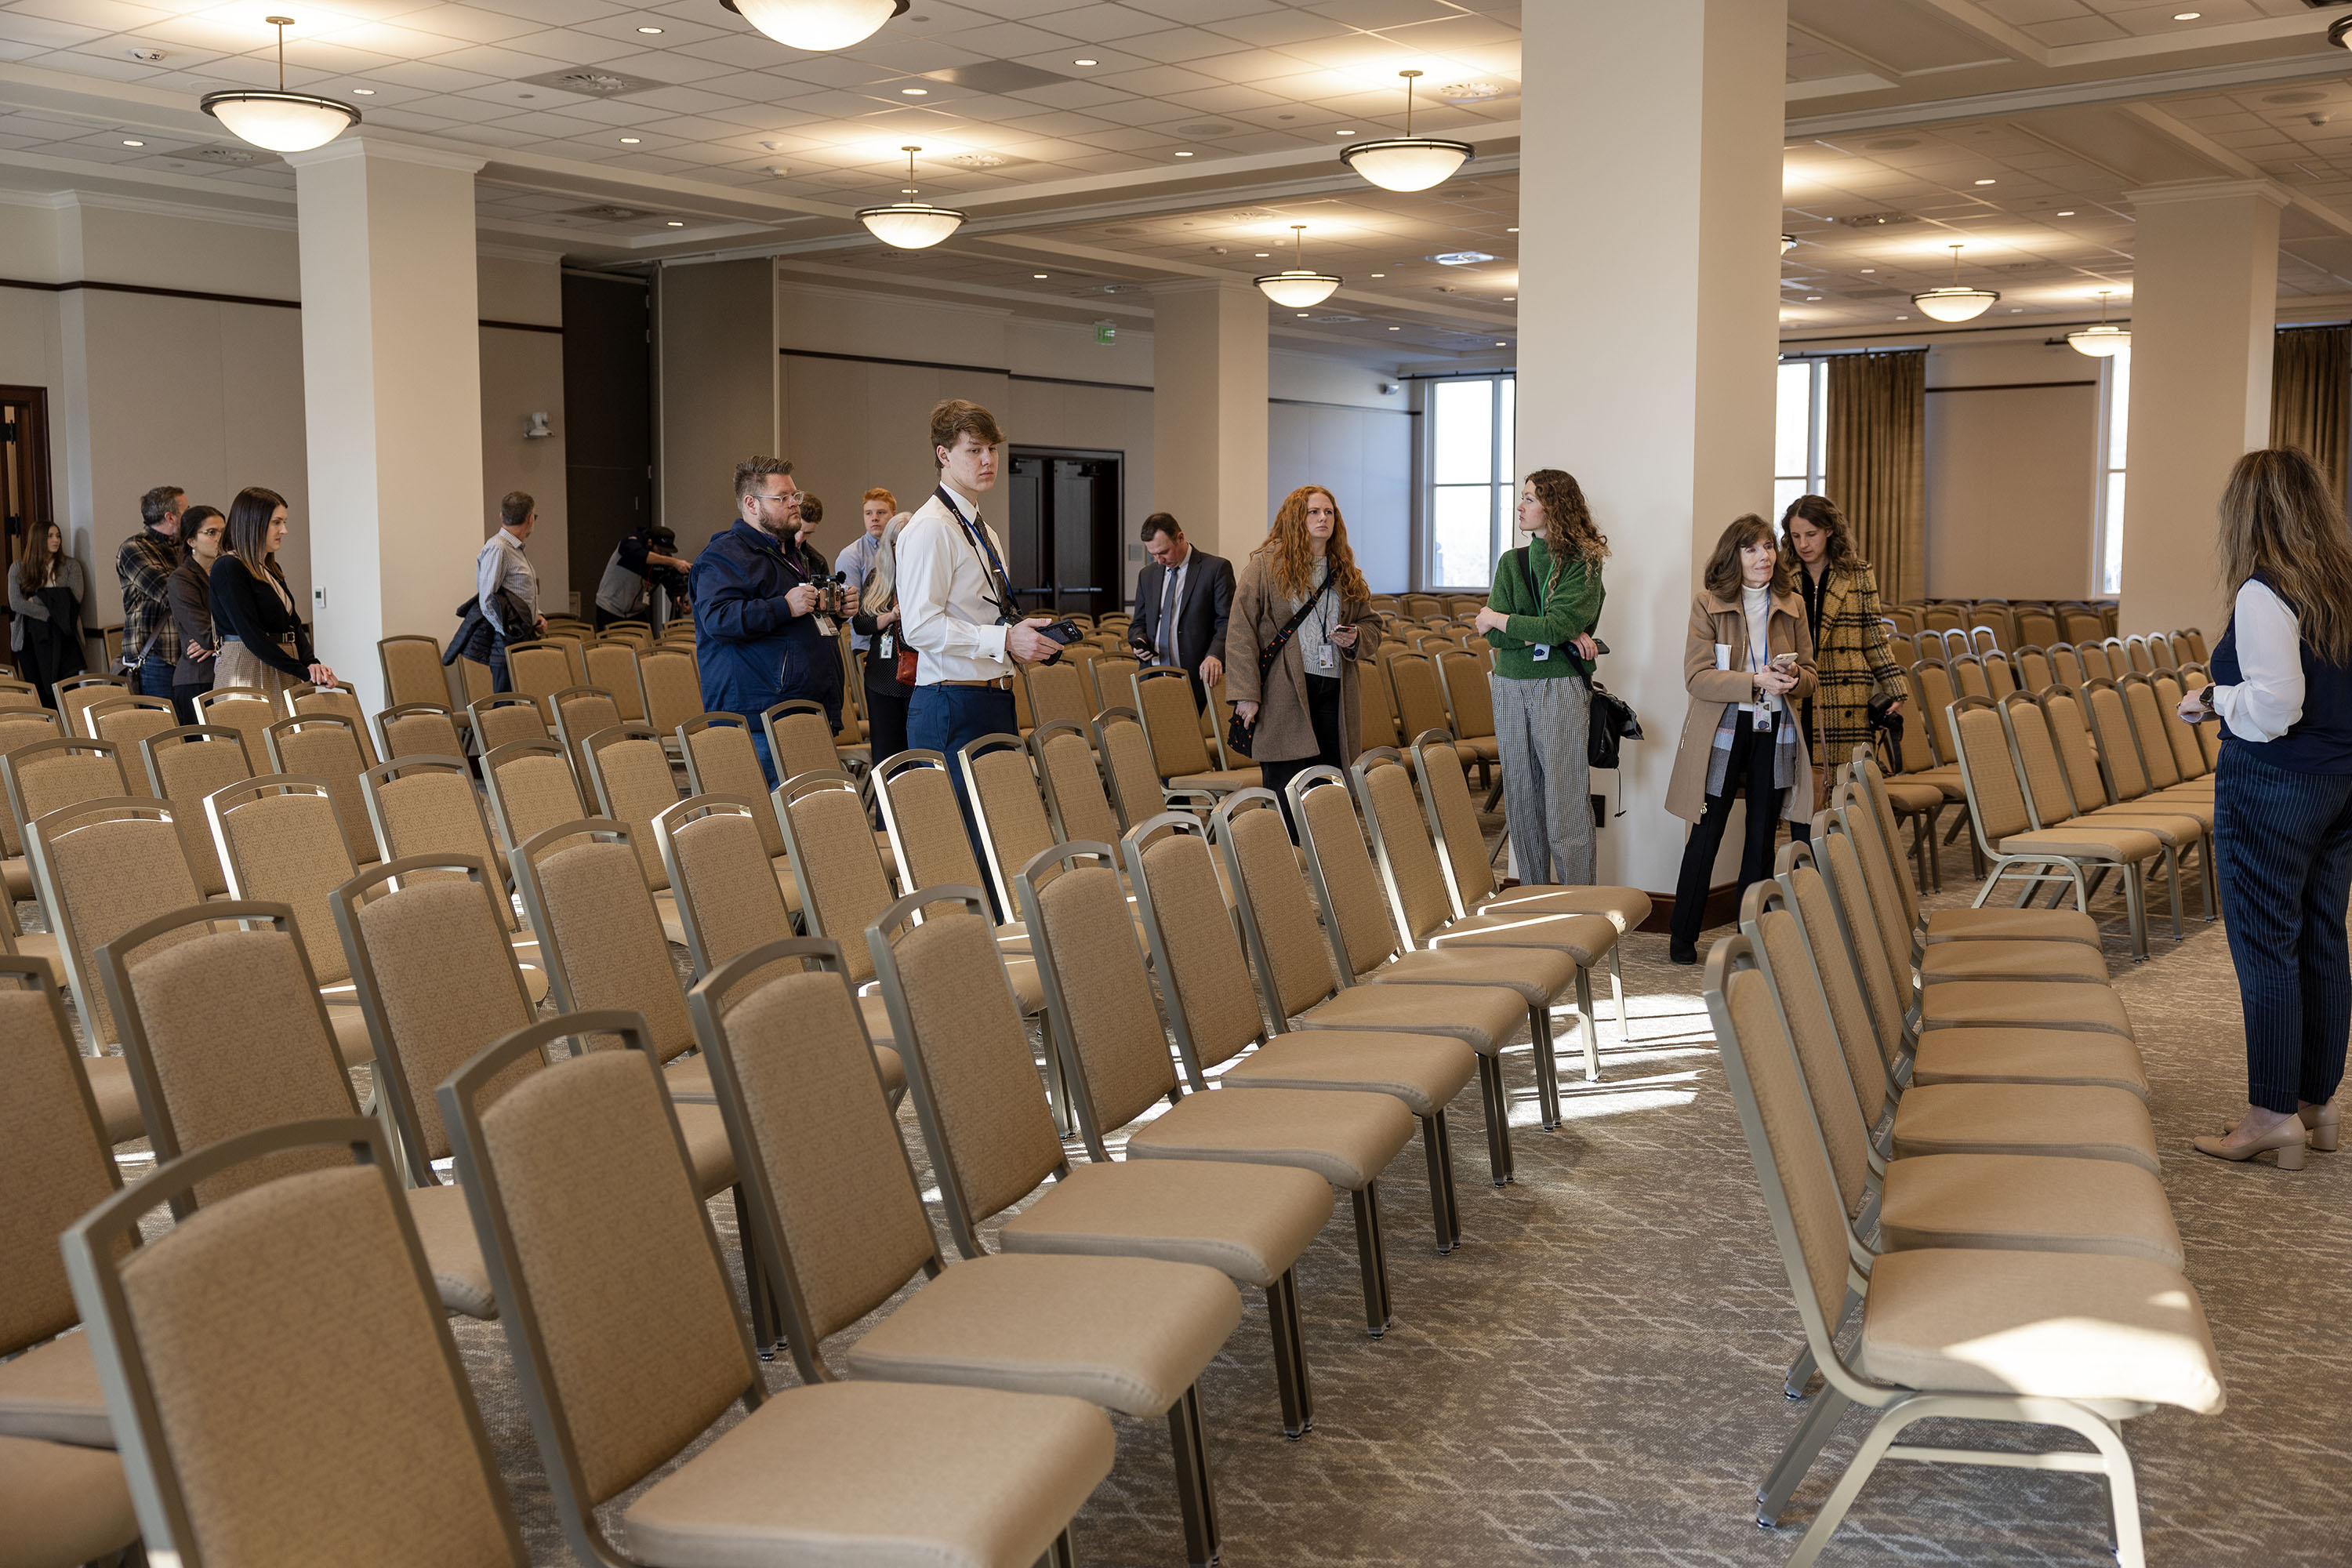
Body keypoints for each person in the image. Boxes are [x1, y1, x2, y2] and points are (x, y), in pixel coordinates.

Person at [2181, 448, 2352, 1170]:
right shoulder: (2342, 582)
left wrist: (2211, 697)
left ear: (2245, 514)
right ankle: (2315, 1104)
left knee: (2267, 946)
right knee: (2322, 938)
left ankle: (2271, 1115)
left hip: (2274, 783)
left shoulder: (2264, 589)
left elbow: (2277, 705)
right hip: (2341, 781)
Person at [898, 399, 1059, 853]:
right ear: (944, 455)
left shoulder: (981, 529)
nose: (988, 460)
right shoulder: (931, 528)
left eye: (992, 449)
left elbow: (981, 613)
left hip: (991, 696)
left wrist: (1020, 634)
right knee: (962, 846)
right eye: (974, 450)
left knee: (1001, 838)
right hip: (951, 702)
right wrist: (1004, 638)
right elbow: (919, 627)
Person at [1664, 514, 1818, 965]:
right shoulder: (1707, 604)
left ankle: (1750, 936)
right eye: (1752, 549)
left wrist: (1794, 677)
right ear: (1734, 556)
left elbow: (1811, 676)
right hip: (1723, 731)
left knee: (1762, 835)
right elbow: (1697, 678)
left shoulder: (1792, 603)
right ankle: (1682, 934)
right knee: (1707, 831)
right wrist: (1754, 681)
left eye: (1768, 546)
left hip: (1775, 729)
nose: (1763, 556)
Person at [1474, 469, 1608, 887]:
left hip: (1559, 686)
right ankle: (1532, 900)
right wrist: (1549, 630)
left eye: (1530, 499)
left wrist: (1500, 617)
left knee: (1566, 802)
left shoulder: (1584, 562)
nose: (1520, 506)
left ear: (1555, 506)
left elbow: (1553, 625)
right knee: (1521, 800)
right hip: (1509, 684)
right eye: (1523, 497)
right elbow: (1495, 638)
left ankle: (1578, 905)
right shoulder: (1511, 562)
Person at [690, 456, 857, 783]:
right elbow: (718, 619)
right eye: (783, 498)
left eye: (795, 495)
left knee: (808, 809)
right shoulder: (723, 556)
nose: (795, 504)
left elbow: (795, 626)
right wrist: (784, 606)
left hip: (802, 708)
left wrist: (835, 613)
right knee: (765, 811)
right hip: (758, 716)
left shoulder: (792, 555)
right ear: (751, 504)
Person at [1226, 485, 1381, 818]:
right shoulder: (1266, 566)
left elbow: (1372, 626)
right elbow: (1240, 633)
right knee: (1286, 784)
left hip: (1334, 688)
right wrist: (1246, 695)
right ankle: (1287, 848)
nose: (1323, 518)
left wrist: (1355, 637)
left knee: (1329, 782)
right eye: (1314, 512)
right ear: (1296, 517)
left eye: (1329, 512)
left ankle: (1328, 846)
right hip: (1283, 689)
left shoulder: (1344, 570)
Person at [1779, 494, 1904, 843]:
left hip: (1846, 695)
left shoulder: (1857, 574)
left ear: (1830, 530)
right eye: (1796, 536)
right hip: (1798, 691)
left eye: (1811, 534)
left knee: (1846, 797)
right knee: (1803, 790)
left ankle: (1845, 869)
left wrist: (1895, 688)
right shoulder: (1781, 575)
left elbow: (1874, 635)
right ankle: (1804, 865)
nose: (1803, 544)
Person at [209, 486, 334, 699]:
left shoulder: (270, 569)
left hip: (281, 664)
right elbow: (250, 634)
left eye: (284, 522)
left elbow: (293, 623)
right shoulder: (229, 566)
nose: (284, 530)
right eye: (277, 522)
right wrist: (303, 671)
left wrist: (311, 663)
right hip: (248, 667)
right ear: (253, 523)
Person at [1127, 512, 1233, 711]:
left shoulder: (1215, 569)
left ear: (1180, 538)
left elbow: (1228, 621)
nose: (1159, 560)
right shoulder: (1147, 575)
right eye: (1153, 554)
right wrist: (1139, 640)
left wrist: (1215, 655)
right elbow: (1138, 623)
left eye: (1164, 552)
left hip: (1197, 678)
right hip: (1153, 677)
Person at [850, 511, 914, 764]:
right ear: (889, 545)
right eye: (898, 543)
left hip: (921, 676)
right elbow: (860, 624)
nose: (904, 548)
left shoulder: (929, 575)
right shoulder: (877, 578)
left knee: (918, 753)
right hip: (883, 677)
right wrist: (890, 616)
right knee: (888, 754)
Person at [115, 485, 184, 702]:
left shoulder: (185, 548)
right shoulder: (134, 548)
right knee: (162, 723)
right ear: (171, 517)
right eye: (186, 510)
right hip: (156, 657)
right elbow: (170, 593)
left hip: (189, 655)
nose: (191, 517)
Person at [8, 521, 87, 706]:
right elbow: (16, 603)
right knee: (38, 693)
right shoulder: (19, 568)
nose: (56, 540)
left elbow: (73, 599)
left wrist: (36, 599)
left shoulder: (71, 566)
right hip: (30, 639)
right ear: (38, 539)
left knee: (68, 693)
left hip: (63, 635)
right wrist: (50, 613)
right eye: (50, 536)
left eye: (58, 536)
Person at [476, 492, 543, 693]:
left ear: (501, 515)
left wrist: (536, 616)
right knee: (507, 707)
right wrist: (507, 632)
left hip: (524, 637)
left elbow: (519, 594)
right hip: (507, 643)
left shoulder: (514, 548)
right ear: (530, 519)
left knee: (530, 701)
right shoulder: (498, 548)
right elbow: (487, 600)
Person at [165, 504, 225, 720]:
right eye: (211, 532)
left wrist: (218, 642)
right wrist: (224, 639)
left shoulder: (226, 572)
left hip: (227, 674)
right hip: (198, 678)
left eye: (223, 532)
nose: (220, 538)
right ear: (191, 541)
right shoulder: (181, 579)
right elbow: (205, 635)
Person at [593, 524, 692, 630]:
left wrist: (679, 601)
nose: (663, 554)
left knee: (645, 639)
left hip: (636, 612)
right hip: (610, 608)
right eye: (660, 550)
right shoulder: (630, 542)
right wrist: (675, 562)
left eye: (666, 551)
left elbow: (670, 583)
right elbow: (640, 555)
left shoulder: (665, 560)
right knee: (612, 641)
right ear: (650, 543)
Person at [837, 488, 895, 659]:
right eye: (868, 513)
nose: (874, 518)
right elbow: (851, 611)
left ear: (894, 515)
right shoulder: (851, 555)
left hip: (899, 642)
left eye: (881, 512)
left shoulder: (902, 549)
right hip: (867, 644)